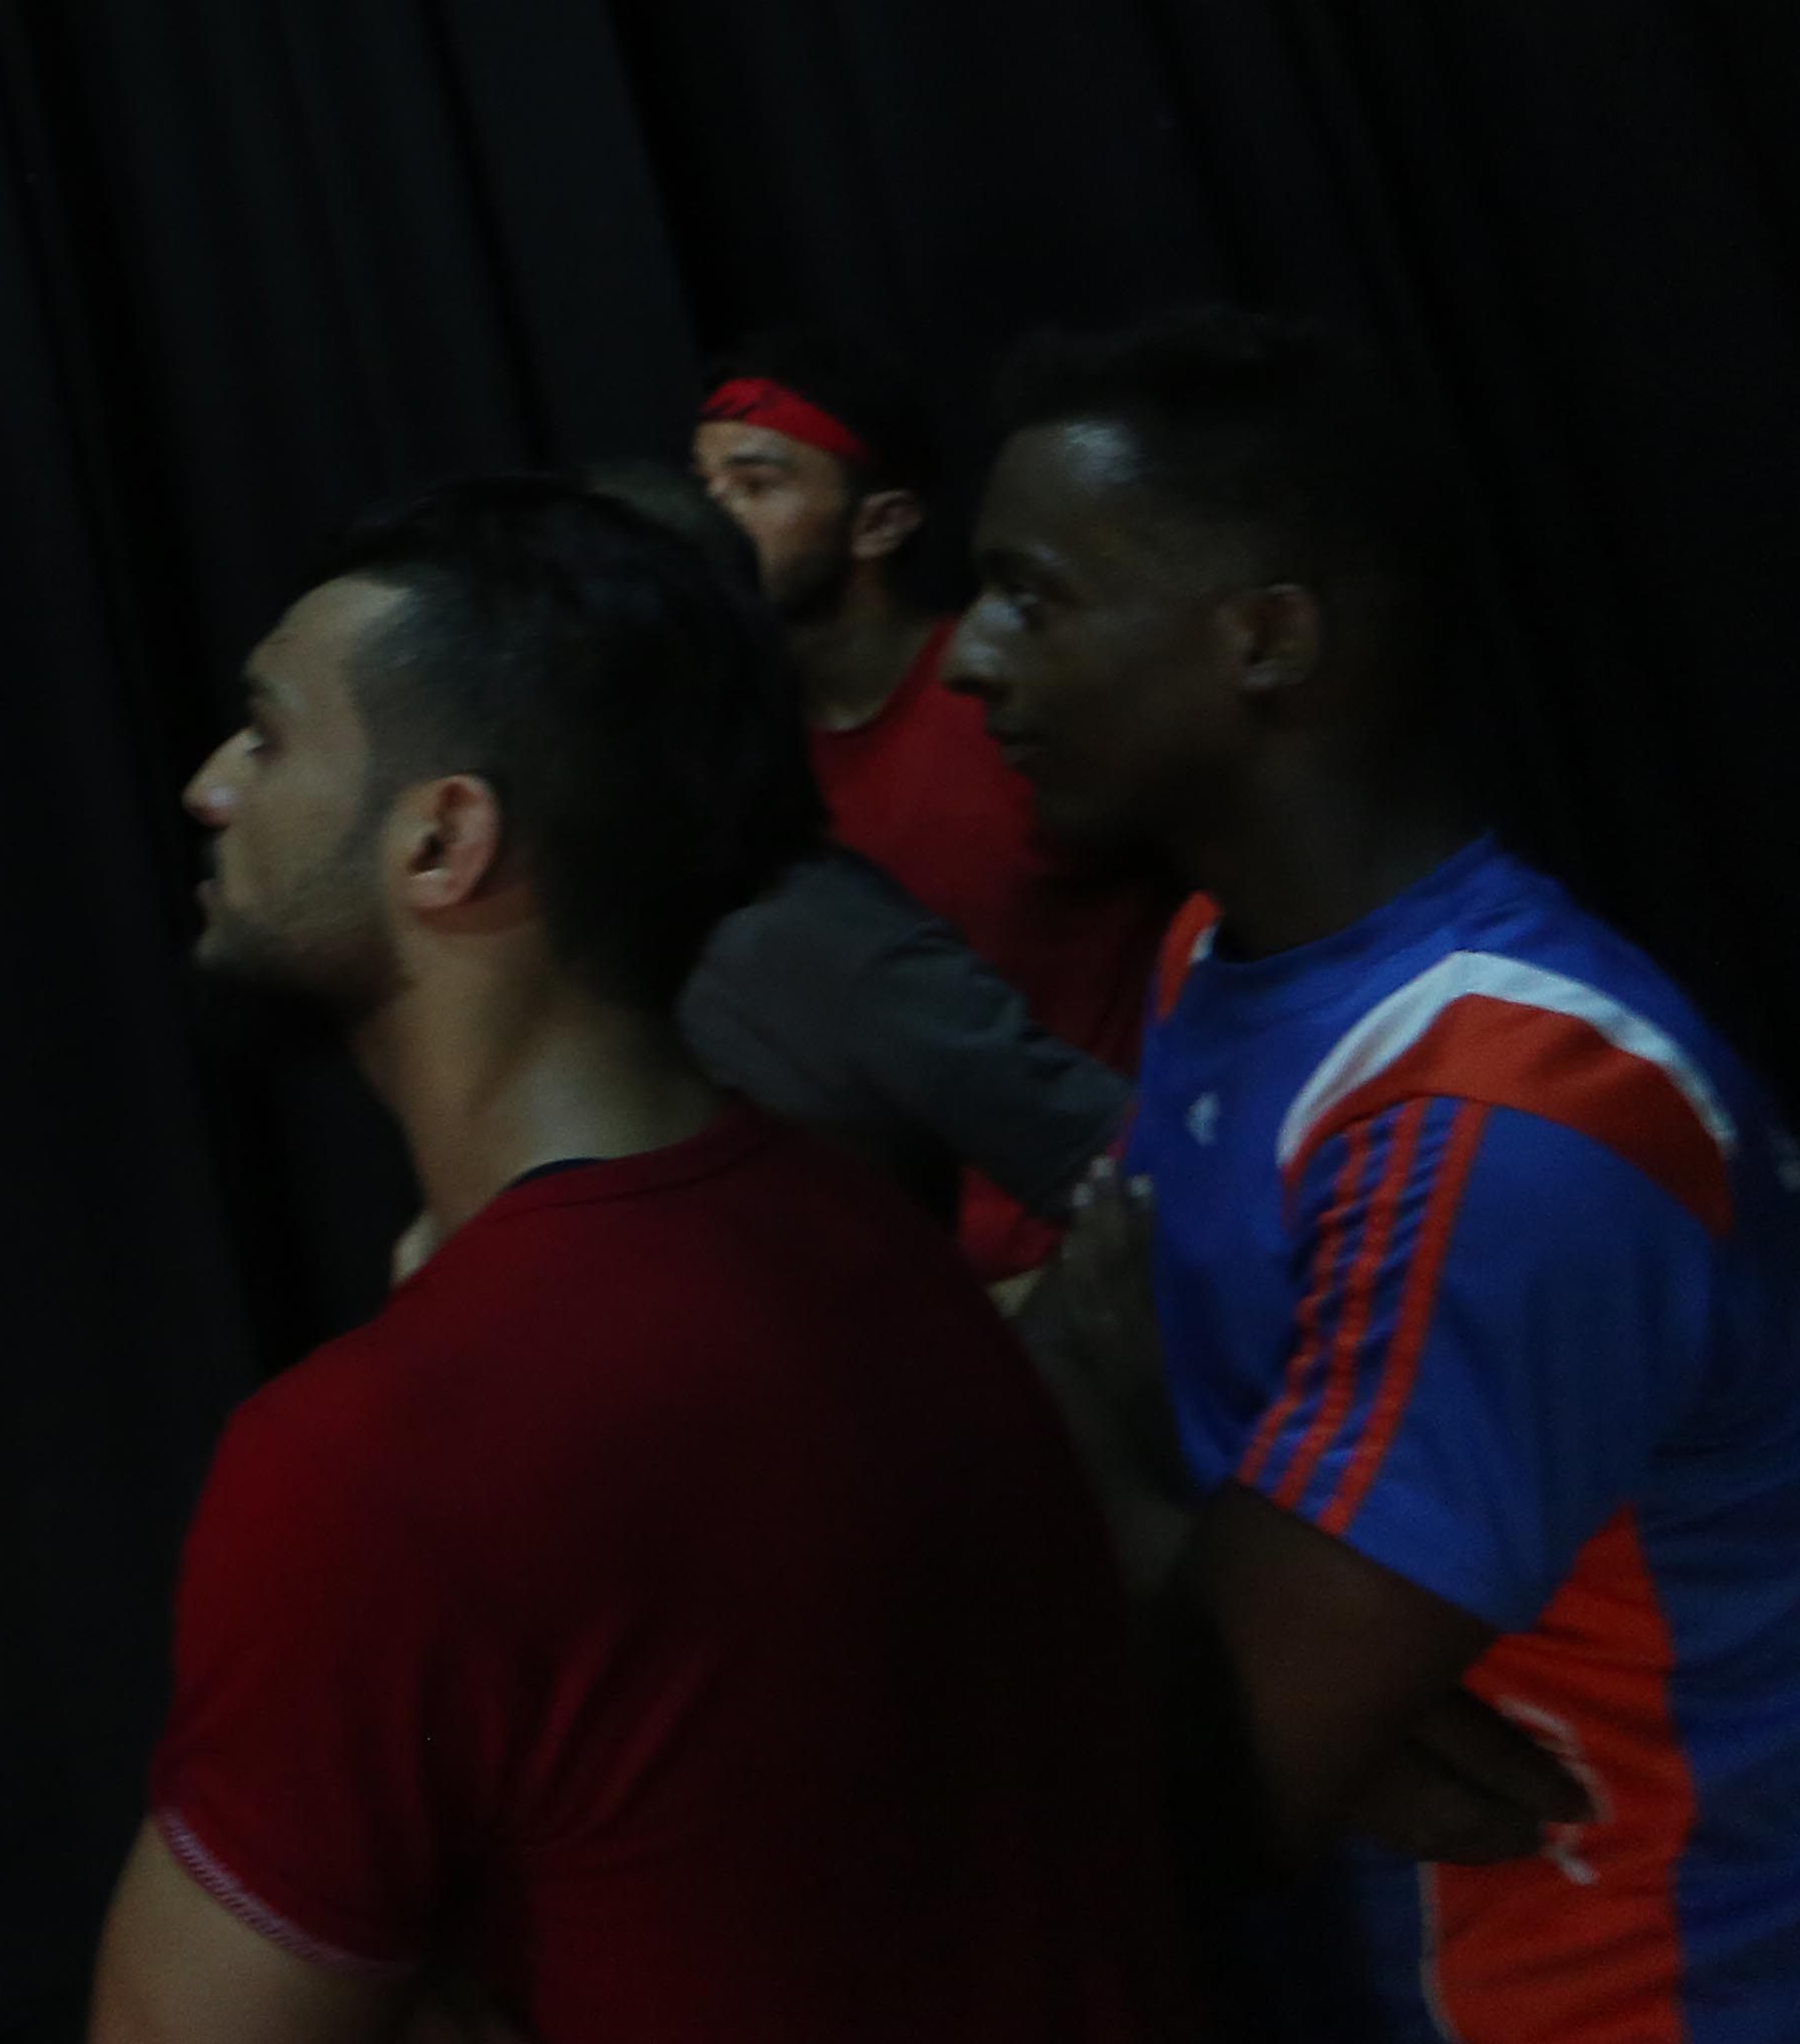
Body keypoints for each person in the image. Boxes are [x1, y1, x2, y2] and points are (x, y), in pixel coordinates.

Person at [968, 310, 1800, 2038]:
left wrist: (1086, 1434)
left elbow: (1199, 1799)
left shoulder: (1511, 1112)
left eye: (1034, 596)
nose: (971, 661)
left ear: (1265, 642)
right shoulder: (1226, 959)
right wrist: (1259, 1658)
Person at [96, 476, 1173, 2043]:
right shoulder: (868, 1246)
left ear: (446, 839)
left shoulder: (383, 1457)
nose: (208, 788)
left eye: (265, 737)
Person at [699, 331, 1173, 1271]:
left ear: (879, 524)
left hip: (1120, 1241)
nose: (715, 521)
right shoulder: (726, 770)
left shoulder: (1014, 705)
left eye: (755, 487)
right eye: (703, 487)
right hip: (911, 1298)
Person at [579, 461, 1132, 1237]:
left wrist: (1025, 1341)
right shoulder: (574, 937)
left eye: (755, 479)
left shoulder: (805, 933)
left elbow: (1129, 1176)